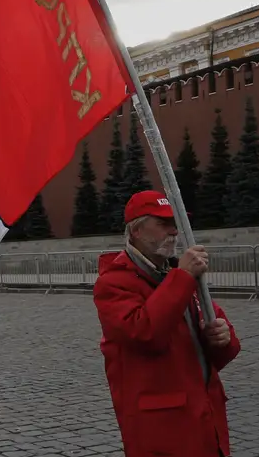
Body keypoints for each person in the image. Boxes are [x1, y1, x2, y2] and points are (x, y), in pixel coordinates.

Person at [93, 190, 241, 457]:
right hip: (162, 427)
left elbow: (219, 338)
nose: (174, 231)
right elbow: (144, 333)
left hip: (206, 419)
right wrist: (183, 277)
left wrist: (223, 337)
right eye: (163, 223)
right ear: (136, 231)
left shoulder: (178, 276)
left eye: (175, 222)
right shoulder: (114, 282)